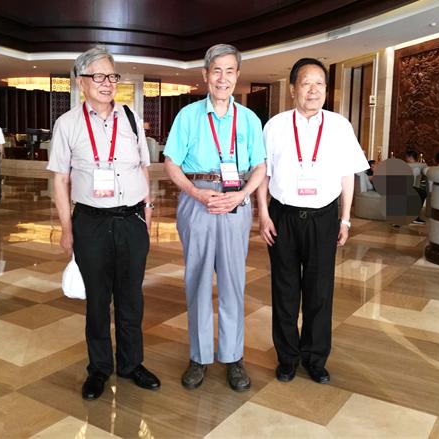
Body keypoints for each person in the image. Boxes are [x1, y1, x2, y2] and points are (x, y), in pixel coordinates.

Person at [48, 46, 160, 401]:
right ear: (81, 82)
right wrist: (67, 228)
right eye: (98, 76)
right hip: (91, 222)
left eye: (112, 76)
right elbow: (60, 180)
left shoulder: (130, 117)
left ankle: (131, 364)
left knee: (131, 298)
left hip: (131, 219)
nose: (107, 82)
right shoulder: (67, 124)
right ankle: (99, 368)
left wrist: (147, 214)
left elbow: (144, 168)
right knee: (97, 301)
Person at [257, 58, 368, 385]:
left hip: (323, 218)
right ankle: (288, 358)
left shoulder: (340, 126)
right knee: (285, 290)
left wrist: (345, 219)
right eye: (306, 83)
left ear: (326, 90)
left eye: (319, 83)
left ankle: (315, 359)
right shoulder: (275, 126)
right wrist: (263, 213)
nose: (313, 90)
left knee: (320, 292)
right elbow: (263, 174)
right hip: (284, 217)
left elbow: (347, 175)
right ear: (293, 89)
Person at [163, 44, 266, 392]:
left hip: (236, 200)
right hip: (198, 201)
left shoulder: (249, 119)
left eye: (230, 71)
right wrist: (195, 192)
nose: (223, 78)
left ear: (237, 76)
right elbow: (171, 164)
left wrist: (242, 194)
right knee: (197, 280)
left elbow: (260, 166)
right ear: (206, 75)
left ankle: (233, 356)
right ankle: (199, 355)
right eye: (216, 71)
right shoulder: (188, 116)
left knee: (234, 281)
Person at [404, 150, 427, 224]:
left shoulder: (414, 166)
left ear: (410, 157)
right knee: (421, 193)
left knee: (422, 193)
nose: (405, 159)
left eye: (406, 157)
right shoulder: (420, 166)